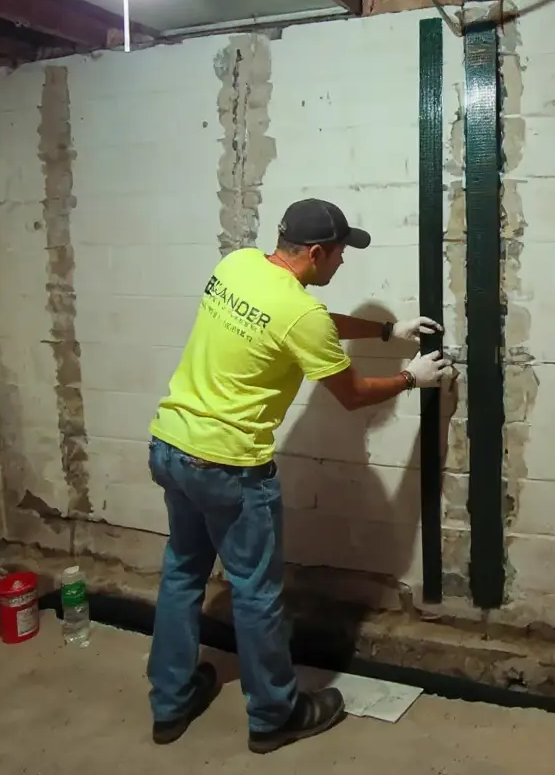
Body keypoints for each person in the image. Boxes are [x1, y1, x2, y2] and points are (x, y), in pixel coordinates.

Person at [144, 197, 455, 754]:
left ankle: (169, 703)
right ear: (315, 252)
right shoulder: (299, 312)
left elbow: (306, 322)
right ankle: (273, 715)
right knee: (257, 594)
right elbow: (354, 394)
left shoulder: (237, 265)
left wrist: (386, 332)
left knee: (182, 574)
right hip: (229, 466)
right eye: (339, 254)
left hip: (171, 446)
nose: (342, 264)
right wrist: (411, 378)